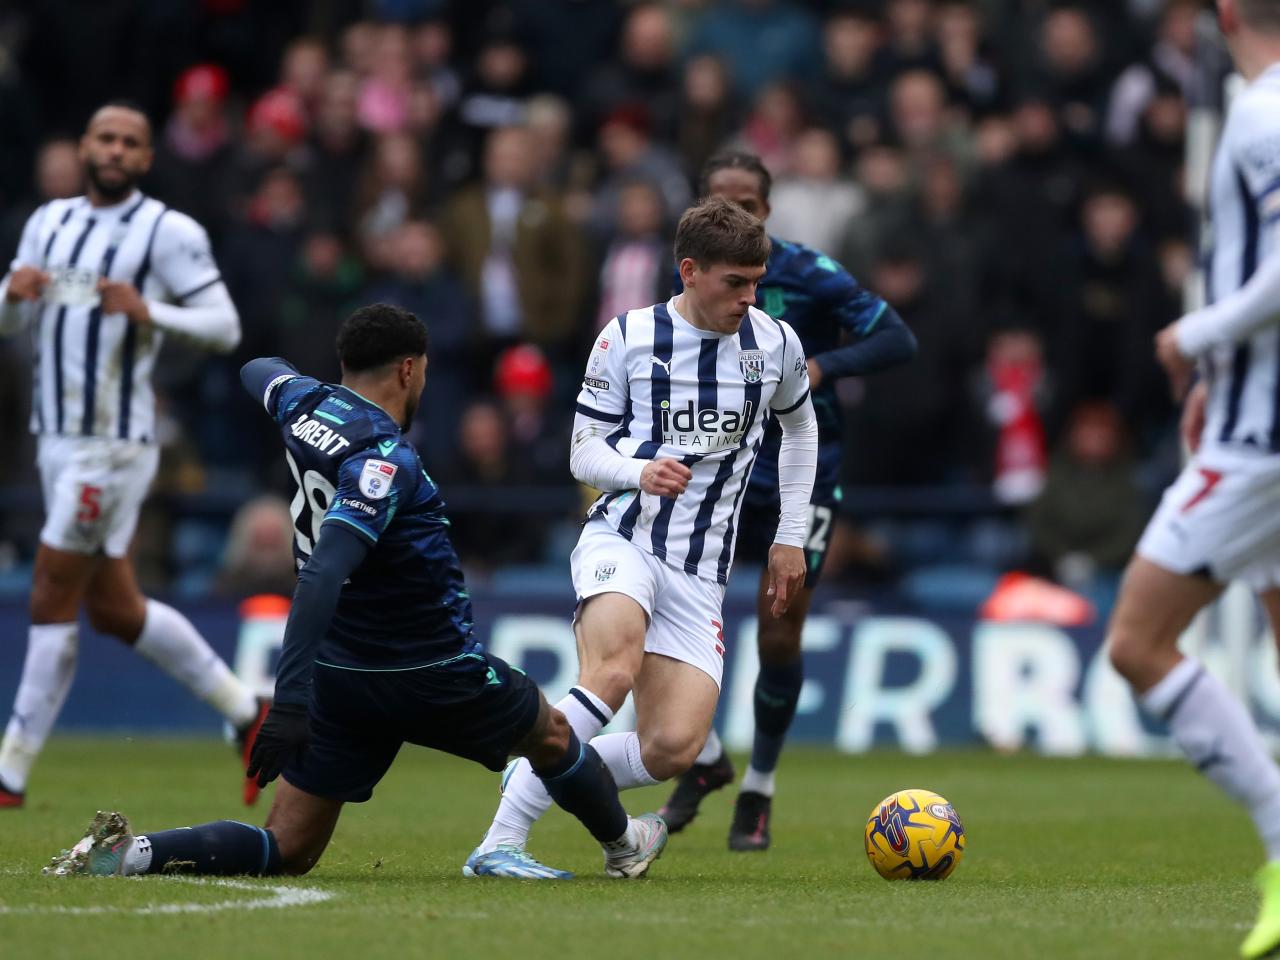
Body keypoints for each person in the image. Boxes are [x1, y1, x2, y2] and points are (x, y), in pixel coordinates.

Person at [46, 303, 666, 882]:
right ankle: (625, 845)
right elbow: (322, 572)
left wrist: (300, 695)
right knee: (553, 735)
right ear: (408, 368)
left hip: (343, 674)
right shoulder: (383, 457)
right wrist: (286, 702)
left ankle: (135, 854)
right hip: (432, 665)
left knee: (287, 849)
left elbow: (256, 369)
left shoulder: (303, 403)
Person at [464, 195, 819, 877]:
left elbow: (800, 428)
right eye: (734, 283)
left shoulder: (775, 344)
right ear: (689, 270)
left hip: (700, 571)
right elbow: (582, 451)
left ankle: (536, 772)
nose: (750, 297)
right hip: (622, 539)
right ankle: (501, 842)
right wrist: (636, 472)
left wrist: (790, 534)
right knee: (613, 671)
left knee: (672, 749)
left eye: (757, 281)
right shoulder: (626, 336)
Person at [0, 101, 266, 809]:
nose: (115, 150)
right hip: (53, 439)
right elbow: (11, 317)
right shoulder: (46, 223)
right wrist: (9, 296)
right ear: (84, 146)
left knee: (52, 590)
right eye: (104, 138)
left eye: (130, 142)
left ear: (146, 158)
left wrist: (153, 312)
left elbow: (224, 325)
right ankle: (247, 712)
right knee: (116, 609)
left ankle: (9, 772)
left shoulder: (167, 232)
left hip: (112, 446)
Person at [660, 151, 916, 851]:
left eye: (746, 202)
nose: (734, 213)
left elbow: (897, 336)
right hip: (715, 472)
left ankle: (759, 788)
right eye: (720, 201)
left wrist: (821, 367)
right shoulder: (690, 279)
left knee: (778, 630)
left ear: (767, 211)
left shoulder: (808, 272)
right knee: (668, 618)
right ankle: (706, 757)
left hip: (803, 471)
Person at [1111, 3, 1280, 957]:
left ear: (1224, 14)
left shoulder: (1261, 115)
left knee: (1137, 642)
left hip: (1261, 445)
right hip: (1251, 413)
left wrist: (1196, 339)